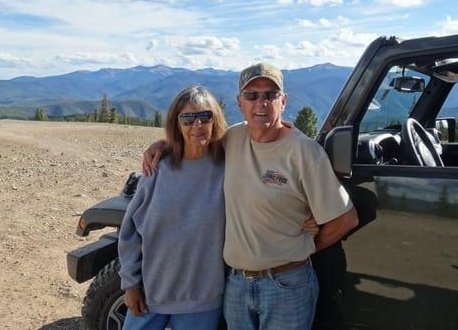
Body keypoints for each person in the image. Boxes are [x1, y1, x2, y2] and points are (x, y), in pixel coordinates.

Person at [143, 63, 359, 330]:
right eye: (252, 95)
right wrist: (162, 144)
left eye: (270, 94)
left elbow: (345, 219)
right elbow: (195, 140)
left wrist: (304, 248)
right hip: (237, 285)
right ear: (240, 103)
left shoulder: (305, 153)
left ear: (283, 101)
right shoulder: (233, 138)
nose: (261, 103)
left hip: (287, 286)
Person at [117, 85, 227, 330]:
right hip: (151, 295)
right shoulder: (157, 169)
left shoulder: (228, 167)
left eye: (204, 116)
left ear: (215, 120)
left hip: (202, 301)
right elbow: (130, 230)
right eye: (187, 118)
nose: (197, 125)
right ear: (177, 124)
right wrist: (130, 283)